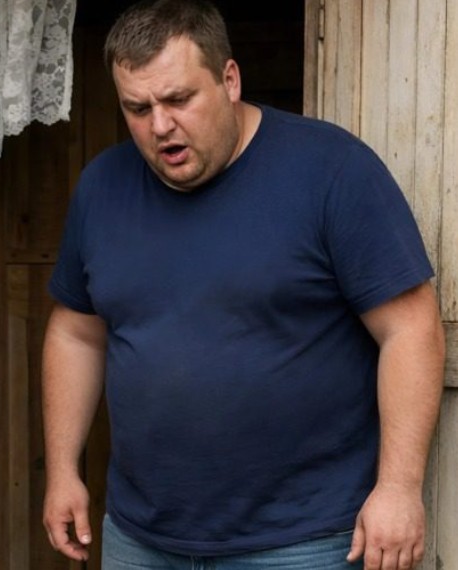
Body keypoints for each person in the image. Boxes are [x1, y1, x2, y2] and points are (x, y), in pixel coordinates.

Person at [41, 1, 445, 569]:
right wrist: (62, 470)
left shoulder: (332, 171)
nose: (160, 125)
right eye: (138, 108)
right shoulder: (102, 187)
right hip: (142, 538)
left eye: (179, 99)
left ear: (229, 79)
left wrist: (399, 488)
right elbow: (76, 334)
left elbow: (410, 328)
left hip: (304, 541)